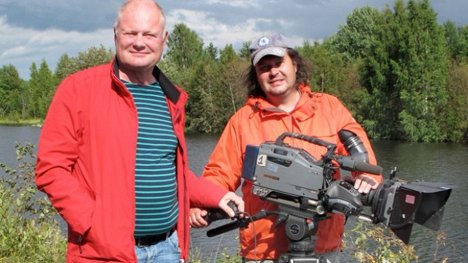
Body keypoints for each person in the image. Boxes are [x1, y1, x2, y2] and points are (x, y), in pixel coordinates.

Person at [35, 0, 244, 262]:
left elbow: (172, 171)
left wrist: (217, 195)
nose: (139, 42)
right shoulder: (79, 89)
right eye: (130, 33)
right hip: (102, 252)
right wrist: (90, 222)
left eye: (149, 34)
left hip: (167, 249)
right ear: (116, 35)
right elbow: (50, 168)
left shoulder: (171, 98)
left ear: (163, 39)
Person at [189, 33, 383, 262]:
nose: (273, 72)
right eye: (264, 67)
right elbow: (219, 173)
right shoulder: (243, 121)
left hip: (323, 247)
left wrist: (368, 177)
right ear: (257, 76)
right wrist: (202, 203)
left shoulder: (329, 107)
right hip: (262, 251)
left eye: (279, 63)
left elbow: (361, 153)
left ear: (295, 64)